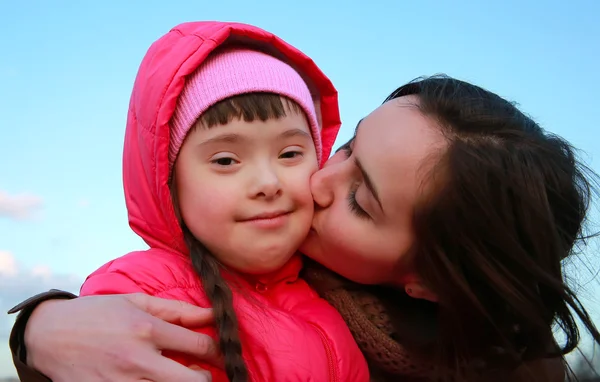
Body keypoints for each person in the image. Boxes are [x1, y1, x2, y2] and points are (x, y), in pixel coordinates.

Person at [9, 23, 599, 382]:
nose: (314, 183)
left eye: (361, 202)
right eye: (343, 148)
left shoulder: (508, 372)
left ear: (429, 282)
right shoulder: (211, 277)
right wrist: (41, 326)